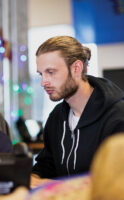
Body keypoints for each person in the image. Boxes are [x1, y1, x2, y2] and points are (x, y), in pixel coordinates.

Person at [31, 36, 124, 188]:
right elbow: (47, 165)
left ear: (76, 68)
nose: (43, 82)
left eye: (51, 72)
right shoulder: (56, 117)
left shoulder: (117, 117)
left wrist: (52, 186)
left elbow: (115, 184)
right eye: (41, 74)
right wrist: (32, 178)